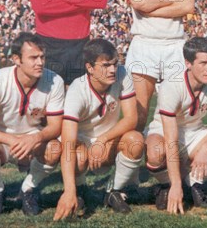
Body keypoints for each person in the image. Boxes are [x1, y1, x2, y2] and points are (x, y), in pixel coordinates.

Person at [0, 33, 65, 215]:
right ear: (16, 59)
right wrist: (11, 139)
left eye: (42, 57)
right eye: (33, 57)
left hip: (32, 142)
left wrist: (35, 137)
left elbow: (56, 126)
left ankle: (29, 188)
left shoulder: (55, 81)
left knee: (54, 148)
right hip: (2, 141)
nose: (40, 62)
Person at [54, 39, 144, 220]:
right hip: (82, 143)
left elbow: (131, 118)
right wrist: (68, 190)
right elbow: (68, 143)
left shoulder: (122, 74)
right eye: (105, 65)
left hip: (108, 139)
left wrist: (103, 139)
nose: (112, 70)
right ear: (90, 67)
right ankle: (78, 191)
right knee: (77, 157)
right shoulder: (76, 91)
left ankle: (114, 191)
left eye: (114, 64)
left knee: (135, 140)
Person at [145, 37, 207, 214]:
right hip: (164, 131)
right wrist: (175, 186)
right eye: (203, 63)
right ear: (188, 63)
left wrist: (205, 149)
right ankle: (168, 185)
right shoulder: (171, 85)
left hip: (195, 131)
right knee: (156, 152)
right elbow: (171, 139)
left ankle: (192, 183)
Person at [124, 0, 195, 131]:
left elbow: (188, 6)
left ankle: (167, 155)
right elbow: (138, 3)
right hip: (144, 43)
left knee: (176, 109)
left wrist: (150, 5)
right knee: (139, 110)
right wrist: (171, 0)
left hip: (175, 45)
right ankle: (133, 155)